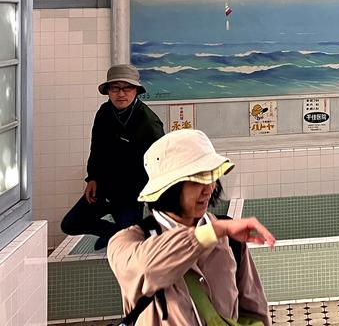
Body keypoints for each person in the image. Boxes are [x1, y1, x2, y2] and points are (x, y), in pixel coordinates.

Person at [108, 129, 275, 326]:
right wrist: (213, 232)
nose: (209, 188)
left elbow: (253, 306)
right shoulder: (128, 242)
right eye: (197, 179)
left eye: (211, 177)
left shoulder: (230, 238)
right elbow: (148, 269)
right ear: (169, 188)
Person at [61, 64, 165, 249]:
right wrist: (92, 178)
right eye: (115, 88)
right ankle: (114, 234)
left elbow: (161, 162)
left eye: (127, 88)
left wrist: (155, 201)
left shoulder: (149, 122)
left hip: (131, 195)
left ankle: (123, 236)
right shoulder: (104, 113)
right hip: (103, 189)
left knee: (132, 244)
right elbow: (96, 148)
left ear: (136, 91)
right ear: (108, 90)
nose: (121, 93)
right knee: (70, 224)